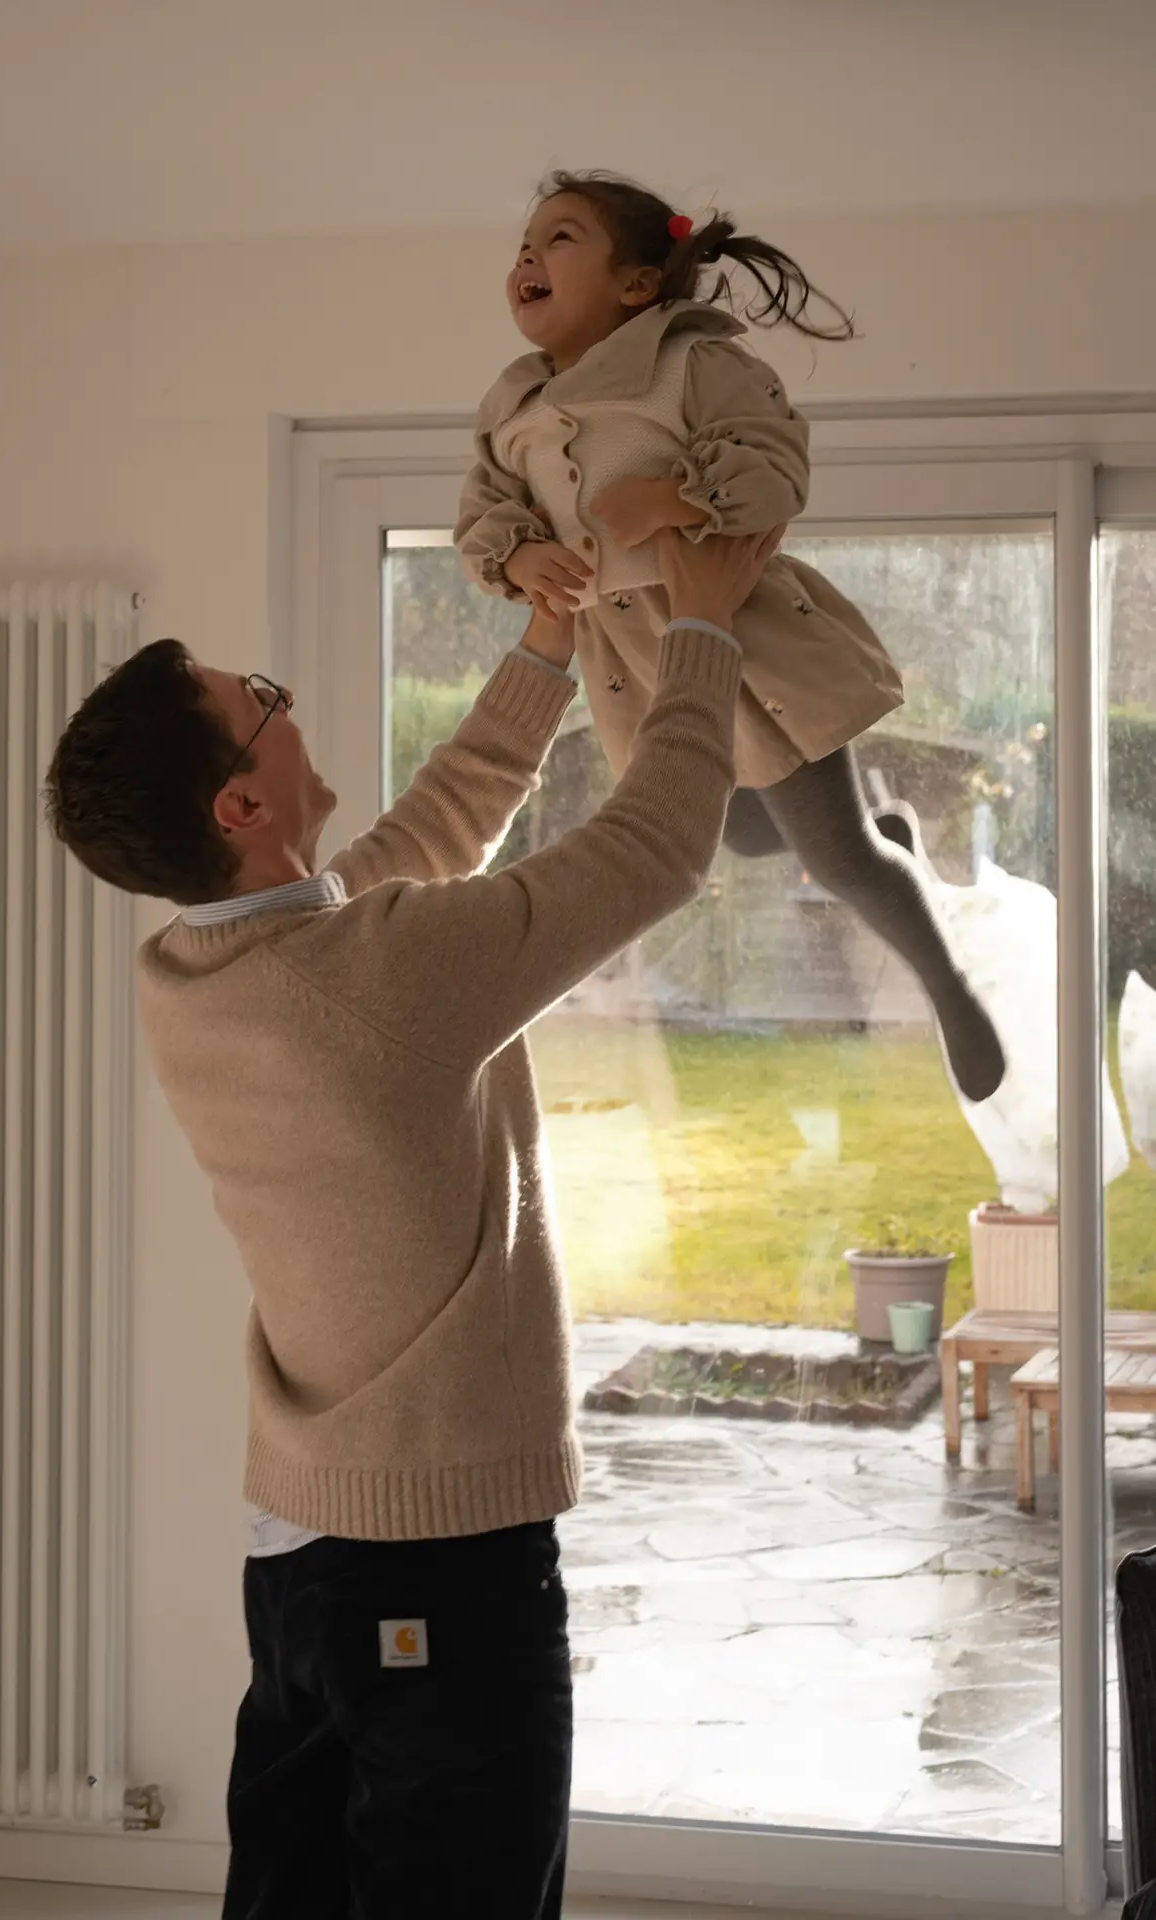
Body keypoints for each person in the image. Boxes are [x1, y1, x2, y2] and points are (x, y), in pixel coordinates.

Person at [43, 522, 780, 1920]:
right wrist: (700, 629)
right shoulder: (364, 984)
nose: (287, 704)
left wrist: (547, 646)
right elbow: (647, 853)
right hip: (431, 1555)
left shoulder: (199, 969)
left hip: (303, 1544)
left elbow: (425, 842)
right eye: (260, 703)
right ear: (238, 805)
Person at [456, 168, 1005, 1104]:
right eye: (522, 246)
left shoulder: (689, 362)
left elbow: (772, 459)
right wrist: (516, 556)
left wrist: (672, 498)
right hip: (634, 664)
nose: (527, 259)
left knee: (835, 857)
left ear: (635, 282)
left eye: (558, 239)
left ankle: (946, 982)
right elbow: (482, 510)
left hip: (743, 640)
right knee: (723, 838)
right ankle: (874, 836)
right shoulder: (510, 409)